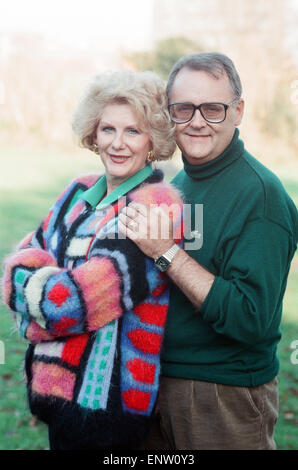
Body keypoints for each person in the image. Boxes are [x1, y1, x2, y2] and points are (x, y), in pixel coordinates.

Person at [119, 53, 298, 450]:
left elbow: (250, 318)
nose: (198, 121)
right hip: (154, 383)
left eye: (213, 109)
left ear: (238, 111)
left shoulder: (261, 196)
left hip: (222, 396)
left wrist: (166, 252)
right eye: (184, 108)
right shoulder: (179, 184)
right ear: (169, 114)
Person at [2, 70, 184, 450]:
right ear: (93, 133)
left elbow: (67, 304)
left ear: (153, 139)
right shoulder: (79, 190)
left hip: (106, 409)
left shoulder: (156, 205)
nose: (118, 144)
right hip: (55, 393)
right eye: (108, 129)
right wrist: (37, 282)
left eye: (133, 131)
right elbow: (15, 266)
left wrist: (35, 303)